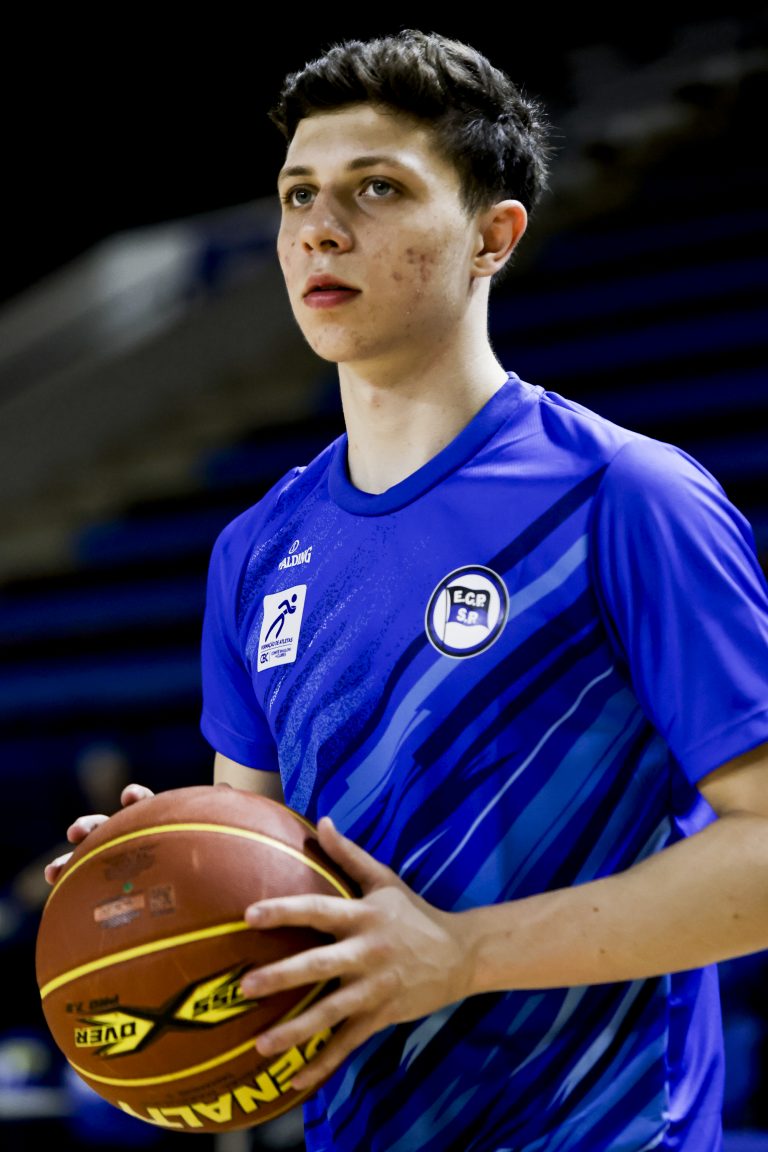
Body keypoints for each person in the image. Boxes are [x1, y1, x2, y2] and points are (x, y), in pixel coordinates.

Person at [45, 28, 768, 1152]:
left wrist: (463, 953)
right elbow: (275, 879)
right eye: (299, 194)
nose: (320, 229)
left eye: (377, 188)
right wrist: (175, 868)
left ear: (493, 236)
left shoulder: (624, 496)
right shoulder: (255, 548)